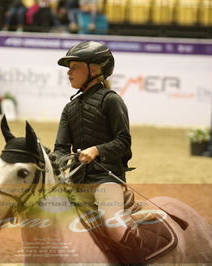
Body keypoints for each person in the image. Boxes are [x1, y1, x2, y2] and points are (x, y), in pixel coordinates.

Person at [54, 41, 144, 263]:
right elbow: (60, 149)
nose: (68, 73)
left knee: (113, 223)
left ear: (94, 69)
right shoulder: (69, 108)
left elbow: (123, 142)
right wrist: (63, 161)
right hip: (76, 180)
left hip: (107, 178)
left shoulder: (111, 100)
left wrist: (96, 150)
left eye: (74, 66)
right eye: (68, 68)